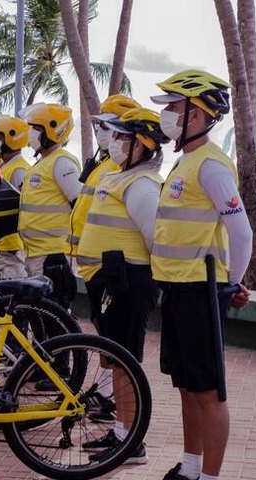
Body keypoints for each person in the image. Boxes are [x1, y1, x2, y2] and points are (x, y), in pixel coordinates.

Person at [150, 70, 252, 480]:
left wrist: (232, 283)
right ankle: (190, 468)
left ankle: (209, 476)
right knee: (187, 385)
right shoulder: (185, 161)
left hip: (200, 288)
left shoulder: (211, 166)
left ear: (196, 115)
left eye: (174, 106)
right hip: (177, 288)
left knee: (208, 391)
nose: (167, 114)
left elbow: (241, 232)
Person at [75, 107, 171, 465]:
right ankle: (120, 433)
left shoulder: (142, 185)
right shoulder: (120, 176)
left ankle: (131, 443)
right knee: (117, 361)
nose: (113, 141)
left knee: (126, 362)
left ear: (141, 145)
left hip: (129, 281)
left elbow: (156, 239)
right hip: (112, 280)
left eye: (121, 136)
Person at [68, 94, 140, 422]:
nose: (101, 133)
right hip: (92, 266)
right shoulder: (104, 165)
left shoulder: (119, 170)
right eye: (100, 126)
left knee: (112, 340)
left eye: (110, 128)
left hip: (107, 268)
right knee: (104, 335)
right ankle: (107, 394)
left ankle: (112, 402)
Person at [17, 103, 81, 308]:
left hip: (53, 255)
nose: (31, 133)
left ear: (53, 131)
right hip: (36, 253)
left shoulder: (62, 162)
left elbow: (80, 204)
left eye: (36, 128)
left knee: (53, 312)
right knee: (38, 313)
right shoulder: (43, 163)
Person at [0, 115, 31, 279]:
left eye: (0, 137)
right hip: (1, 241)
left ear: (12, 139)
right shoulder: (4, 166)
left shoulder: (19, 170)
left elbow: (23, 206)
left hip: (11, 244)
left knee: (14, 285)